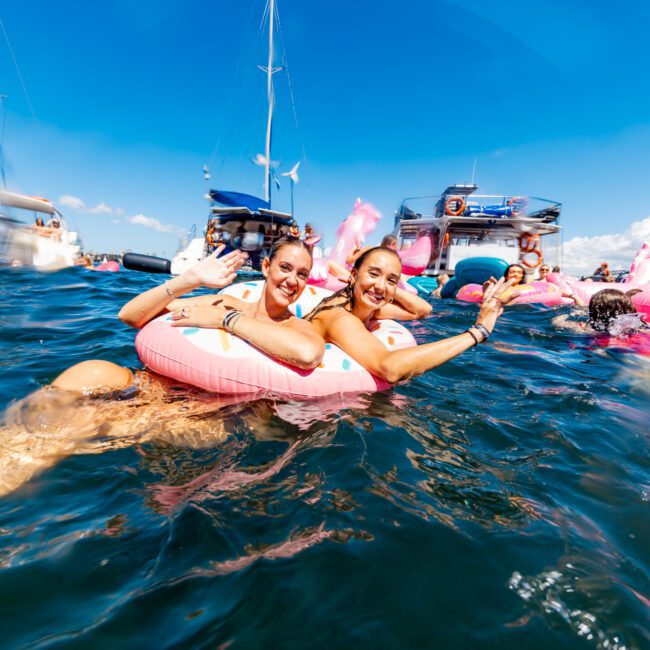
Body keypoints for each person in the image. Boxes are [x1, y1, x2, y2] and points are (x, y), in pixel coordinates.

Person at [53, 239, 325, 395]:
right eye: (285, 268)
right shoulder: (225, 301)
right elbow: (130, 315)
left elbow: (308, 354)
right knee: (86, 373)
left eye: (302, 274)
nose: (292, 280)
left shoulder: (300, 327)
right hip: (146, 387)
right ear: (266, 267)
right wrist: (189, 279)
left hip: (199, 413)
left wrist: (225, 320)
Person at [305, 246, 513, 384]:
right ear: (353, 275)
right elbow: (389, 368)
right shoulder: (340, 316)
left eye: (391, 279)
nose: (380, 285)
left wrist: (388, 288)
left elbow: (423, 311)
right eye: (373, 274)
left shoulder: (368, 308)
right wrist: (478, 331)